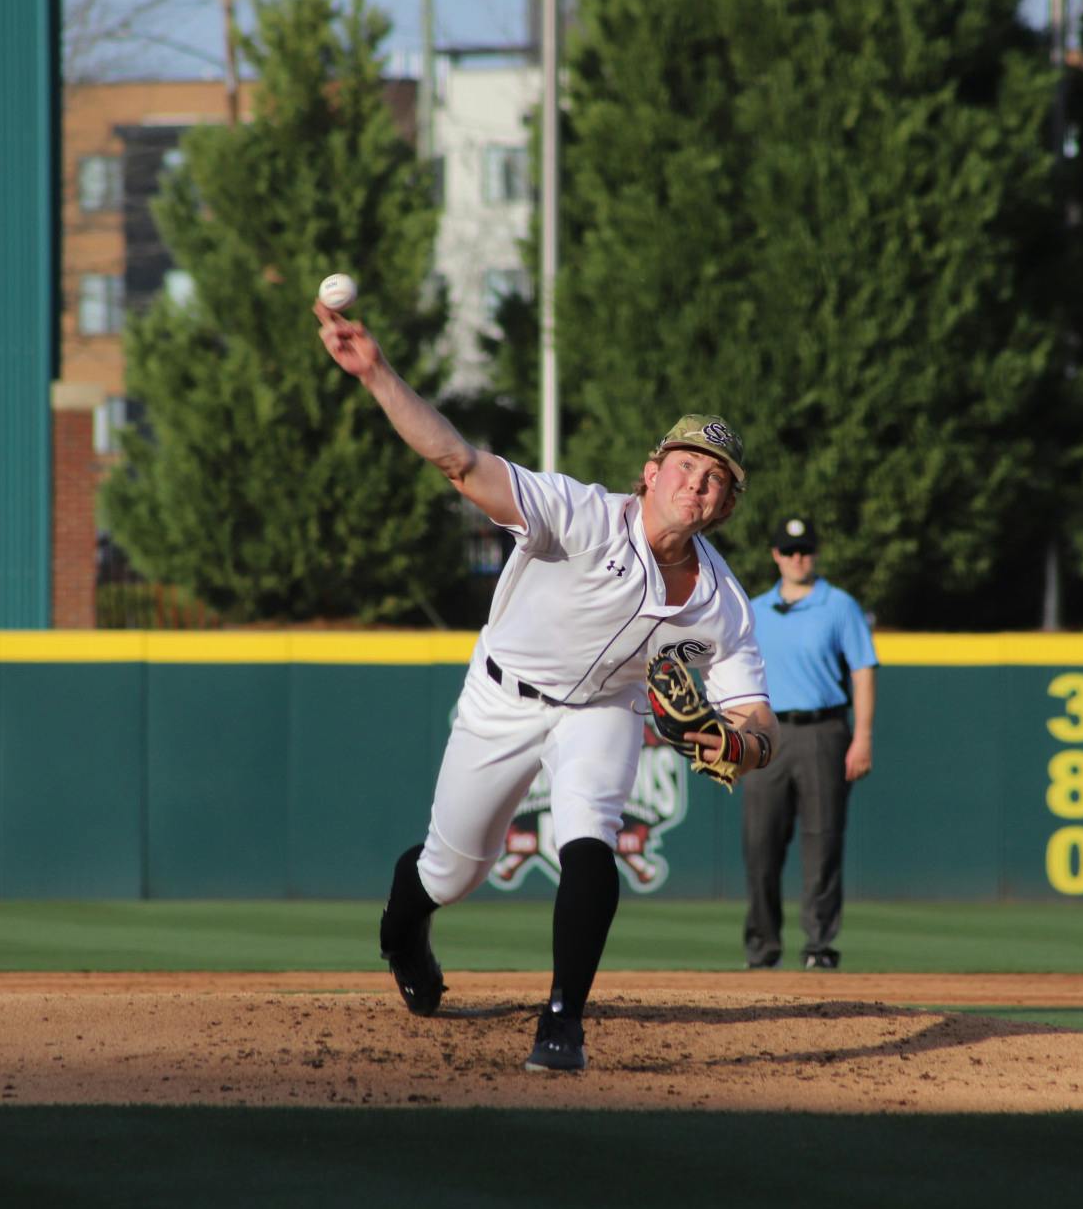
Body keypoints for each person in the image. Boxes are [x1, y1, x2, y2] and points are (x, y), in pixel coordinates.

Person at [313, 295, 777, 1073]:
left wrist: (732, 740)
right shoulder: (582, 513)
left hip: (602, 711)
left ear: (724, 507)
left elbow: (759, 722)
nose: (696, 486)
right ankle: (403, 927)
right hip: (504, 696)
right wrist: (379, 374)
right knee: (451, 870)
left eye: (714, 482)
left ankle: (562, 1021)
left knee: (589, 832)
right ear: (652, 472)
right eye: (687, 467)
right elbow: (459, 462)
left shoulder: (721, 603)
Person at [739, 517, 877, 970]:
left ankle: (819, 945)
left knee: (822, 840)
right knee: (760, 843)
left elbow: (862, 671)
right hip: (767, 734)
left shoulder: (839, 606)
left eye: (805, 550)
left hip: (823, 729)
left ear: (814, 553)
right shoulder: (754, 609)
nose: (798, 558)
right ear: (776, 555)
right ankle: (762, 947)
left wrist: (862, 736)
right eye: (789, 550)